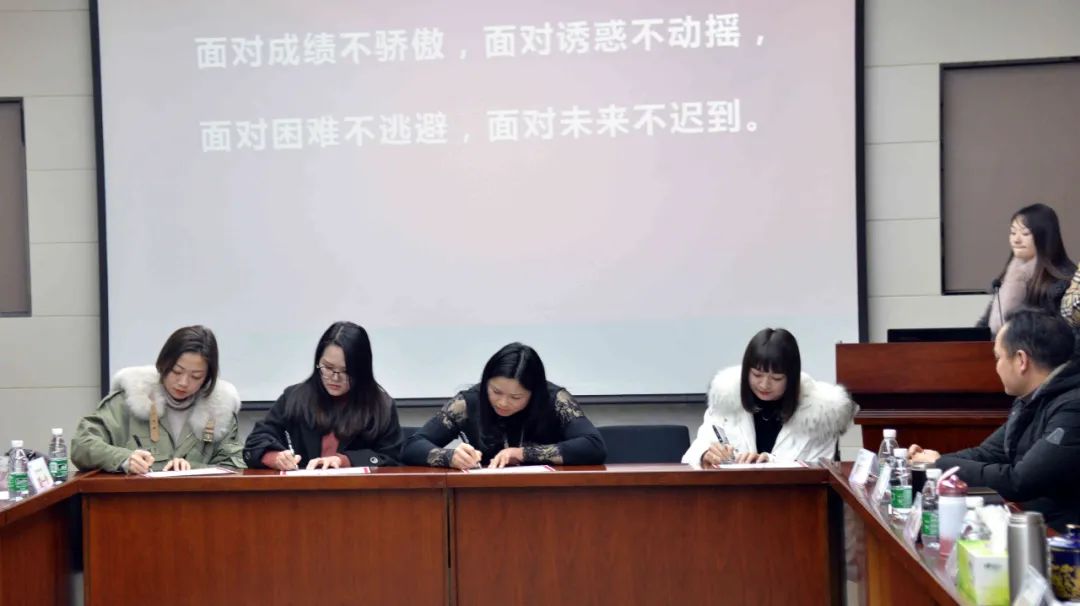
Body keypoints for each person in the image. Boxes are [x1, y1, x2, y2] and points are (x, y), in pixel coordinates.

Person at [909, 308, 1080, 532]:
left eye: (998, 357)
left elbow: (1020, 481)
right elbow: (989, 452)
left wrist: (940, 464)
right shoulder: (1029, 400)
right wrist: (932, 461)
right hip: (1034, 527)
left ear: (1021, 360)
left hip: (1063, 539)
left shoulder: (1072, 407)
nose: (996, 367)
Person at [401, 342, 606, 469]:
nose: (503, 402)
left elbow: (593, 446)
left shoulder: (555, 400)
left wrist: (522, 454)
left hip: (547, 496)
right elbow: (412, 446)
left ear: (534, 393)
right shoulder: (469, 402)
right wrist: (450, 457)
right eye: (496, 391)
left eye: (516, 397)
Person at [71, 325, 244, 473]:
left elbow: (236, 465)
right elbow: (82, 444)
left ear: (207, 378)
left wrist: (192, 469)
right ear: (163, 363)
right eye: (177, 371)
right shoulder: (129, 401)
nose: (183, 382)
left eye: (196, 376)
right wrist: (124, 459)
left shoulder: (219, 412)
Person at [683, 328, 857, 468]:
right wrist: (705, 455)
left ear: (792, 378)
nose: (764, 384)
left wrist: (771, 464)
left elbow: (821, 472)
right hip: (733, 498)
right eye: (757, 375)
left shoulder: (820, 415)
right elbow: (691, 456)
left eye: (776, 378)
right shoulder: (726, 402)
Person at [244, 321, 402, 470]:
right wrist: (275, 458)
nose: (335, 378)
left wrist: (344, 461)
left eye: (346, 371)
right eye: (328, 367)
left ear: (362, 371)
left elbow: (392, 458)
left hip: (357, 489)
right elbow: (255, 442)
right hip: (299, 488)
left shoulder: (381, 407)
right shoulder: (294, 398)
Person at [978, 203, 1075, 337]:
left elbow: (1065, 335)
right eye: (1013, 233)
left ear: (1044, 237)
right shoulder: (1008, 277)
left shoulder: (1064, 281)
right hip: (999, 349)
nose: (1016, 240)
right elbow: (984, 327)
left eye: (1025, 233)